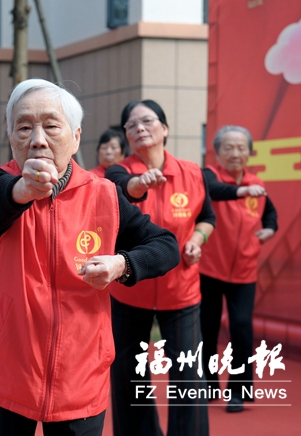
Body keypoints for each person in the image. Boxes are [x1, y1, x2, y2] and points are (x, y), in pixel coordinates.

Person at [0, 79, 180, 436]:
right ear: (11, 138)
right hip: (6, 368)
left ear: (76, 137)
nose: (38, 139)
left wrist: (119, 264)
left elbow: (166, 245)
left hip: (79, 373)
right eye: (24, 127)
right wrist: (25, 189)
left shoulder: (104, 195)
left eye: (50, 126)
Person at [105, 100, 215, 436]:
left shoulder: (193, 173)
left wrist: (197, 239)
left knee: (188, 376)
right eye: (130, 125)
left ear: (164, 128)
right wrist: (140, 184)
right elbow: (125, 187)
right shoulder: (116, 172)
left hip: (181, 290)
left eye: (147, 121)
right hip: (129, 289)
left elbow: (207, 218)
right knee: (129, 374)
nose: (138, 128)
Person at [199, 125, 278, 413]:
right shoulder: (208, 176)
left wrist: (269, 229)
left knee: (242, 327)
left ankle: (239, 390)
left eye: (241, 148)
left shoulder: (257, 183)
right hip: (209, 268)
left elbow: (270, 213)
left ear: (249, 153)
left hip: (245, 270)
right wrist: (241, 190)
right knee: (207, 328)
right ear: (217, 153)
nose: (235, 153)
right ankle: (207, 384)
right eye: (228, 148)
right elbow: (216, 192)